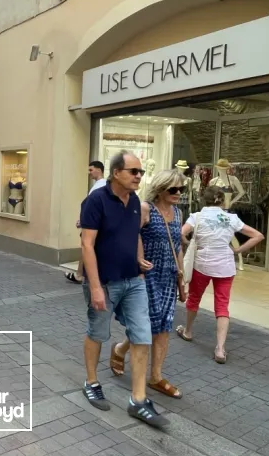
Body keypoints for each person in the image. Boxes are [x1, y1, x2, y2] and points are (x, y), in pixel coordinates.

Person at [79, 150, 168, 428]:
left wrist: (139, 261)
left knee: (142, 335)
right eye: (133, 171)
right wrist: (95, 287)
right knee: (98, 333)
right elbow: (87, 245)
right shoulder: (95, 201)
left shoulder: (135, 202)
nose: (138, 176)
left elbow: (134, 236)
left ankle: (138, 400)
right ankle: (91, 381)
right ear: (116, 173)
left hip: (133, 281)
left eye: (140, 172)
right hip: (104, 283)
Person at [110, 168, 188, 399]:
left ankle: (156, 376)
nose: (178, 193)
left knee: (164, 326)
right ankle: (120, 349)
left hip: (168, 276)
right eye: (173, 189)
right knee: (148, 325)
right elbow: (129, 233)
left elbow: (177, 245)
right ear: (161, 188)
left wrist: (182, 273)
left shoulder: (178, 213)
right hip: (147, 276)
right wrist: (138, 257)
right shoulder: (146, 209)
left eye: (181, 189)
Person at [176, 185, 265, 364]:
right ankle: (220, 348)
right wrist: (237, 250)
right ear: (222, 200)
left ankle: (188, 331)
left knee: (194, 298)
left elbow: (179, 233)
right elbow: (258, 236)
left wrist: (188, 242)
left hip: (202, 263)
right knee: (222, 305)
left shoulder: (197, 217)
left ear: (203, 200)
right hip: (225, 265)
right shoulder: (232, 218)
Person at [65, 160, 108, 283]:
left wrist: (84, 221)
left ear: (99, 170)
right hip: (92, 224)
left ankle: (81, 275)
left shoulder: (101, 185)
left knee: (87, 247)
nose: (89, 173)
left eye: (91, 170)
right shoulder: (99, 185)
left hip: (93, 226)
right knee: (87, 248)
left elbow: (94, 207)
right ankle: (80, 275)